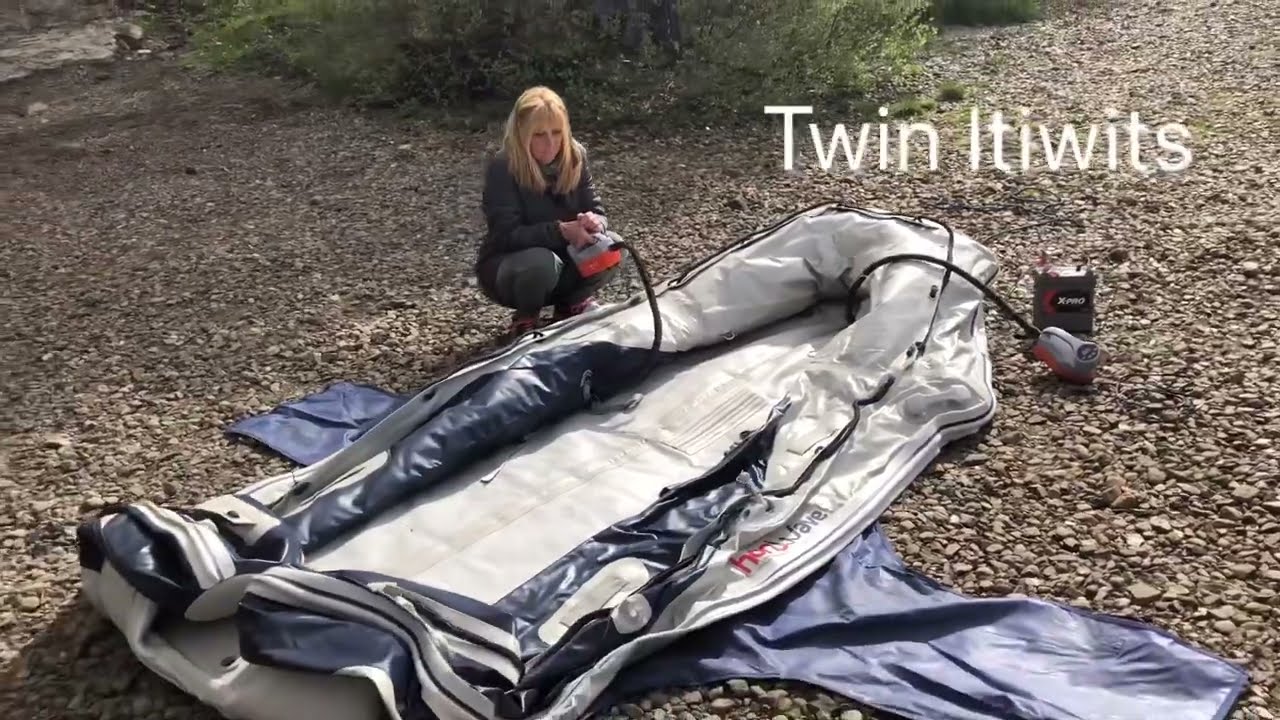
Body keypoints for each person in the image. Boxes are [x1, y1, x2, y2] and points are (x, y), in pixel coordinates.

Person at [476, 86, 622, 338]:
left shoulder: (575, 156)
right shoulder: (503, 166)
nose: (551, 143)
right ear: (522, 134)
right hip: (511, 268)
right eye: (539, 135)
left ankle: (571, 304)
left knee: (613, 246)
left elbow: (596, 208)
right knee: (541, 262)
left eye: (556, 133)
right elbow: (505, 235)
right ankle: (526, 317)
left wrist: (594, 221)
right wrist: (561, 231)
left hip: (565, 261)